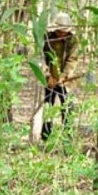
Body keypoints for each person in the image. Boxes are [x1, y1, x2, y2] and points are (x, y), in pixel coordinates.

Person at [42, 12, 78, 141]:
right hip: (48, 81)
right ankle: (45, 137)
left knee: (68, 108)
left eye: (65, 31)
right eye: (60, 31)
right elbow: (41, 58)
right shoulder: (46, 38)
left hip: (65, 82)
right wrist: (47, 76)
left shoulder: (73, 41)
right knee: (48, 107)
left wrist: (64, 77)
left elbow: (72, 60)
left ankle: (67, 138)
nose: (62, 34)